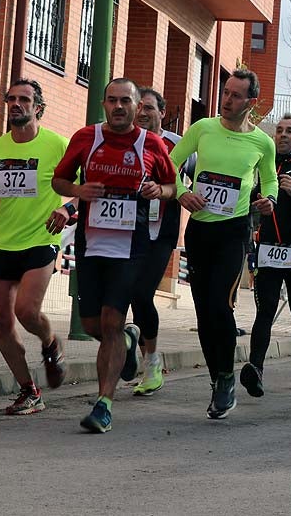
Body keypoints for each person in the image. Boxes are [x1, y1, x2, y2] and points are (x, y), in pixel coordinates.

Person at [52, 78, 176, 432]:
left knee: (109, 321)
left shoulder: (150, 143)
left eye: (126, 101)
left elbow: (171, 186)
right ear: (104, 104)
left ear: (138, 107)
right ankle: (127, 340)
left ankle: (104, 403)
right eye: (112, 101)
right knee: (93, 324)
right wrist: (78, 189)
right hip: (91, 243)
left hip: (131, 246)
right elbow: (59, 180)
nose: (119, 107)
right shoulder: (85, 138)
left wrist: (158, 189)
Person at [170, 69, 277, 419]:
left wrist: (269, 199)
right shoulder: (202, 129)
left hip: (234, 233)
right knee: (204, 313)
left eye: (234, 95)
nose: (226, 99)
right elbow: (168, 164)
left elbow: (270, 177)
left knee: (221, 306)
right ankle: (218, 379)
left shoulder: (262, 142)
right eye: (225, 92)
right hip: (200, 231)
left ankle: (228, 377)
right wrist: (183, 193)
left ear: (250, 102)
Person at [0, 79, 71, 415]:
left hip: (41, 238)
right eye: (11, 99)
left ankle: (50, 343)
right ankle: (29, 391)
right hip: (3, 242)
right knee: (1, 322)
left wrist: (67, 209)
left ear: (39, 107)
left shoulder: (57, 145)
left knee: (25, 311)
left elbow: (84, 188)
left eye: (24, 99)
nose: (16, 104)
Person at [241, 114, 291, 397]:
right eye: (279, 131)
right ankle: (256, 369)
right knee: (265, 309)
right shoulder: (266, 166)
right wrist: (256, 200)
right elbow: (250, 195)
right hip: (268, 248)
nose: (283, 135)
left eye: (290, 131)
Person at [129, 88, 193, 396]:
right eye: (138, 107)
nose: (142, 113)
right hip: (124, 228)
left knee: (141, 293)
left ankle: (151, 362)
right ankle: (129, 344)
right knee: (123, 294)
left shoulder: (177, 144)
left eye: (149, 108)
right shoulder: (123, 140)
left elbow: (197, 174)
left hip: (161, 232)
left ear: (162, 113)